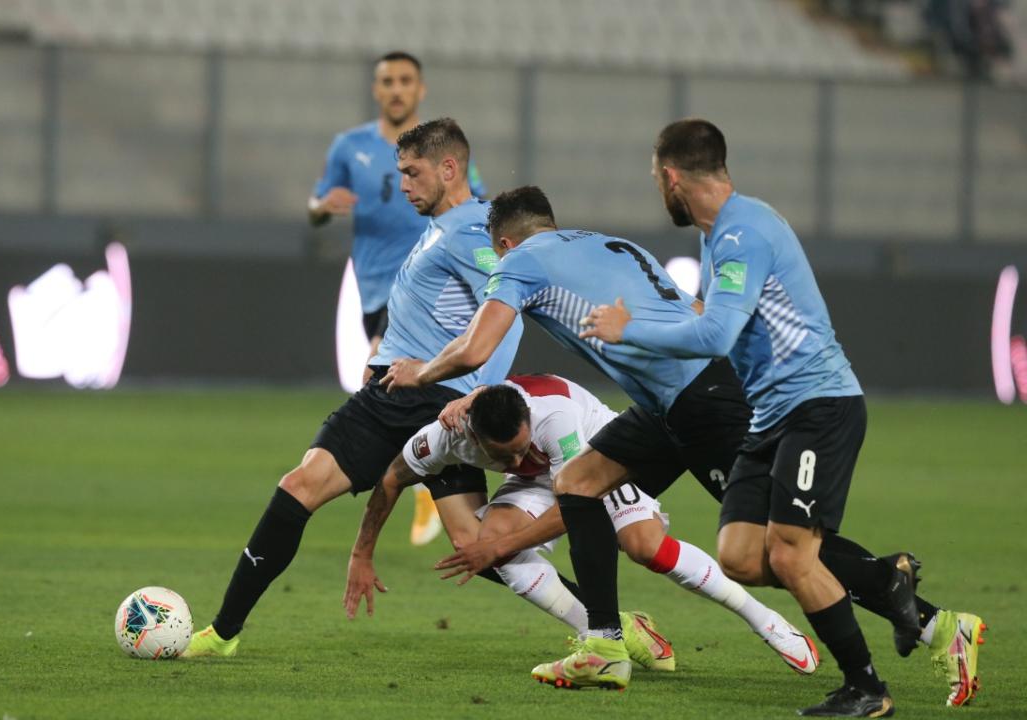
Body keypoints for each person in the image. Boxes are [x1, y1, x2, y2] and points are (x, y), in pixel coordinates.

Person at [381, 185, 957, 706]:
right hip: (670, 402)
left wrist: (420, 373)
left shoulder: (520, 262)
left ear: (504, 241)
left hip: (698, 404)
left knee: (777, 546)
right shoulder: (611, 246)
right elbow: (693, 309)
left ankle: (909, 603)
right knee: (578, 483)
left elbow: (478, 344)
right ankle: (604, 646)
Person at [577, 118, 985, 714]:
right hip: (771, 417)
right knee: (742, 556)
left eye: (654, 179)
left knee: (794, 553)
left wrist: (628, 331)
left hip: (818, 406)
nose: (657, 190)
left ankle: (866, 689)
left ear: (671, 177)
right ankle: (888, 581)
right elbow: (712, 314)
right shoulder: (718, 237)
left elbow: (716, 332)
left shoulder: (744, 232)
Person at [183, 117, 522, 659]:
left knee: (473, 544)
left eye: (412, 174)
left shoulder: (472, 230)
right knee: (300, 486)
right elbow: (430, 312)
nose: (403, 185)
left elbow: (507, 311)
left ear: (449, 168)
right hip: (393, 395)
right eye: (400, 173)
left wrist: (480, 390)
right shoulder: (439, 227)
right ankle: (223, 632)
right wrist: (384, 354)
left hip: (440, 403)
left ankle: (605, 619)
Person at [346, 375, 823, 690]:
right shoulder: (445, 436)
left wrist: (499, 545)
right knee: (484, 547)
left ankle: (764, 619)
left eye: (519, 447)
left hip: (603, 457)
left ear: (528, 422)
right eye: (502, 455)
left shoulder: (555, 420)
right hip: (545, 482)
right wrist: (361, 555)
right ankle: (606, 635)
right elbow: (391, 479)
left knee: (644, 547)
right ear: (471, 437)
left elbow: (579, 504)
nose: (513, 461)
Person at [309, 51, 486, 546]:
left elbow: (479, 205)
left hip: (424, 295)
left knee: (376, 379)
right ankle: (429, 472)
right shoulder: (351, 147)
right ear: (376, 88)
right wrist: (322, 208)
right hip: (374, 286)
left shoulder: (437, 152)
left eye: (405, 80)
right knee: (395, 388)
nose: (396, 89)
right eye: (387, 80)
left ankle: (397, 471)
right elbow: (315, 206)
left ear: (420, 89)